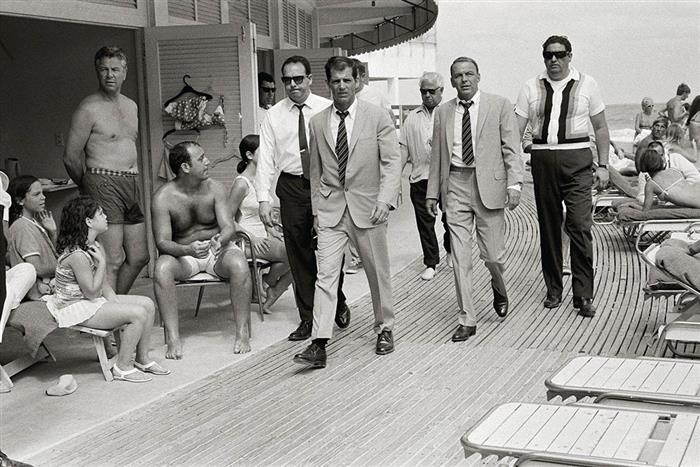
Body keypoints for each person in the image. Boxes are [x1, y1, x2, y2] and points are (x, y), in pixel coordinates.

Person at [292, 56, 402, 369]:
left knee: (376, 272)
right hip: (330, 211)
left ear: (357, 82)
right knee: (325, 276)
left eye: (347, 81)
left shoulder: (377, 116)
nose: (341, 86)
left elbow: (392, 162)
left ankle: (385, 327)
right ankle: (319, 342)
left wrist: (385, 200)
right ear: (328, 85)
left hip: (369, 208)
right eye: (336, 81)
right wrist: (316, 211)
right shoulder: (317, 121)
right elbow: (315, 171)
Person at [427, 57, 524, 342]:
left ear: (479, 76)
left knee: (493, 256)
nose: (464, 79)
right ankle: (466, 318)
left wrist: (515, 184)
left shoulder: (500, 105)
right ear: (452, 81)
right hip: (455, 183)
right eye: (458, 75)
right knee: (460, 256)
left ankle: (498, 282)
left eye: (469, 74)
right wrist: (432, 192)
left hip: (489, 188)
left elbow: (512, 148)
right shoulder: (443, 112)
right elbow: (437, 158)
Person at [255, 55, 351, 342]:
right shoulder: (273, 115)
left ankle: (338, 299)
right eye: (287, 80)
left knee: (330, 248)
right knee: (299, 256)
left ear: (310, 79)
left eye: (299, 79)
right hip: (292, 187)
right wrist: (262, 198)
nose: (293, 85)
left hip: (325, 186)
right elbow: (266, 160)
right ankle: (308, 318)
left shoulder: (327, 108)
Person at [515, 35, 610, 318]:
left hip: (578, 162)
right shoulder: (530, 87)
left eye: (559, 54)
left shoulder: (587, 84)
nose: (553, 60)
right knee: (549, 226)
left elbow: (601, 128)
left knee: (580, 225)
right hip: (544, 161)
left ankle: (583, 294)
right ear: (543, 57)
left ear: (570, 56)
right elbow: (515, 129)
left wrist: (603, 165)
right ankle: (554, 288)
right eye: (548, 55)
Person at [45, 196, 168, 382]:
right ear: (88, 221)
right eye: (100, 213)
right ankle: (123, 367)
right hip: (75, 306)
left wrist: (116, 303)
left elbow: (104, 286)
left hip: (89, 300)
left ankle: (142, 359)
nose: (105, 216)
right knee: (137, 314)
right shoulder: (77, 255)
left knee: (147, 304)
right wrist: (103, 263)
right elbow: (92, 292)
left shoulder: (93, 245)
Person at [152, 141, 252, 358]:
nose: (208, 162)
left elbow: (228, 227)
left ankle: (242, 332)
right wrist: (187, 249)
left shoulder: (215, 188)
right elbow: (162, 242)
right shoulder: (163, 197)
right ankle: (172, 337)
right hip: (184, 254)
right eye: (201, 158)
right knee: (161, 269)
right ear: (185, 167)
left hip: (216, 251)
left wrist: (220, 239)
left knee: (239, 264)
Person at [63, 46, 149, 295]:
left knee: (139, 257)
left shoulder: (131, 106)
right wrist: (86, 185)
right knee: (112, 258)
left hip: (131, 183)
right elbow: (70, 156)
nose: (110, 75)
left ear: (125, 72)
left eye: (115, 69)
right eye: (103, 70)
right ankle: (110, 321)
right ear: (97, 72)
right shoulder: (88, 108)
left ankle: (113, 305)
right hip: (102, 181)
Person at [228, 134, 292, 312]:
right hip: (247, 242)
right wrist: (251, 237)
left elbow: (263, 215)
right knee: (296, 254)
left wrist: (272, 230)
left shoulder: (261, 181)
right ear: (249, 155)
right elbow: (226, 219)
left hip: (264, 238)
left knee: (302, 254)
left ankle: (268, 287)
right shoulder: (242, 184)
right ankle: (265, 287)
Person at [400, 72, 452, 280]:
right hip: (420, 177)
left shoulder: (450, 113)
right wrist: (395, 179)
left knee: (451, 219)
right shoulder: (412, 118)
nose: (428, 95)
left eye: (432, 91)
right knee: (425, 223)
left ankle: (451, 248)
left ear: (441, 91)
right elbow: (403, 148)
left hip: (447, 178)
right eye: (424, 91)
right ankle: (431, 262)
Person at [6, 176, 59, 300]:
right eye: (36, 194)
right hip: (39, 296)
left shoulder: (33, 222)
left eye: (42, 193)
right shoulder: (22, 226)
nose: (43, 197)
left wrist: (52, 233)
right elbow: (37, 268)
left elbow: (48, 257)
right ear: (20, 201)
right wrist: (68, 266)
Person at [635, 141, 700, 204]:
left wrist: (681, 193)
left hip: (691, 194)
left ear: (664, 154)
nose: (658, 159)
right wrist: (657, 200)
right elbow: (641, 196)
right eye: (653, 157)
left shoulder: (676, 160)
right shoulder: (645, 173)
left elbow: (696, 177)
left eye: (660, 155)